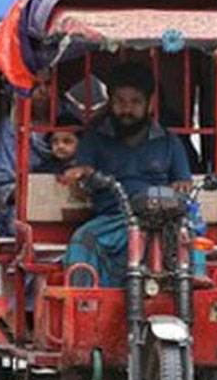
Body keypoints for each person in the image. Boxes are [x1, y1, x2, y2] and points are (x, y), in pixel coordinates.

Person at [60, 62, 191, 286]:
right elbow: (81, 172)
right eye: (120, 101)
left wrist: (179, 188)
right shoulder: (94, 138)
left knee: (188, 236)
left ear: (150, 104)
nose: (126, 110)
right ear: (110, 102)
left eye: (135, 102)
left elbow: (183, 182)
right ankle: (83, 307)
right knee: (82, 240)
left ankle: (193, 289)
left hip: (160, 220)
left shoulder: (169, 142)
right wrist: (80, 173)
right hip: (112, 221)